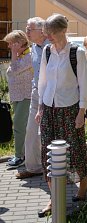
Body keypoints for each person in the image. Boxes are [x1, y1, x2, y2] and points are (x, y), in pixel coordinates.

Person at [35, 13, 87, 217]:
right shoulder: (47, 52)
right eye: (45, 33)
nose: (47, 37)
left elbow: (84, 85)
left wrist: (81, 112)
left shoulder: (77, 53)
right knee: (48, 154)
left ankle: (84, 182)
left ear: (62, 30)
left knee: (75, 148)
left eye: (50, 33)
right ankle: (54, 198)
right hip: (49, 108)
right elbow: (43, 81)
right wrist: (41, 108)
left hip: (70, 108)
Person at [15, 17, 48, 179]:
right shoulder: (34, 48)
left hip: (52, 95)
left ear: (42, 31)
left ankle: (61, 171)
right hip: (36, 93)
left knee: (50, 133)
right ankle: (33, 167)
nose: (26, 32)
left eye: (30, 29)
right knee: (31, 131)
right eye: (27, 28)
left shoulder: (53, 47)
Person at [3, 30, 33, 168]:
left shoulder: (29, 56)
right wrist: (15, 55)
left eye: (10, 43)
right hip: (18, 97)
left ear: (19, 43)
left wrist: (14, 55)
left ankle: (19, 156)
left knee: (19, 126)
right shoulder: (21, 56)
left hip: (26, 96)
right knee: (21, 126)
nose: (9, 46)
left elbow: (13, 70)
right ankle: (24, 155)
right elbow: (10, 72)